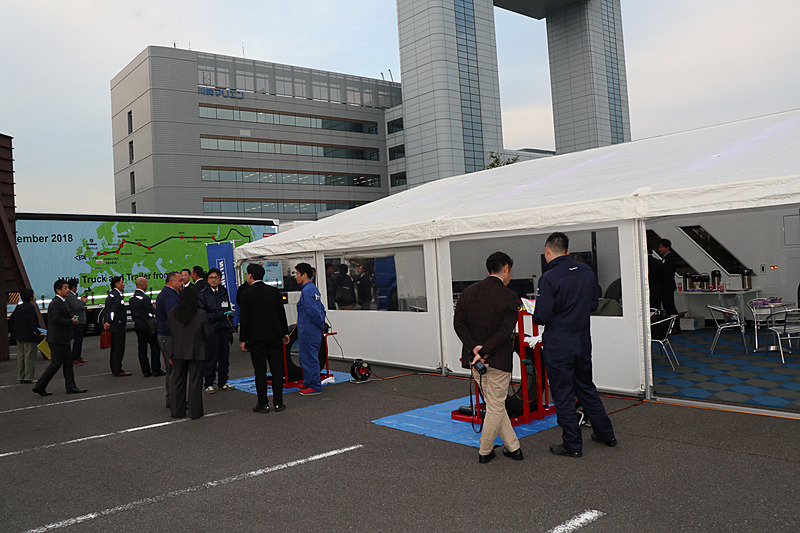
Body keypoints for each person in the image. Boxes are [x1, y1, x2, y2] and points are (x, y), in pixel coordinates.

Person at [533, 232, 617, 458]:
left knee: (563, 393)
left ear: (548, 250)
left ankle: (572, 443)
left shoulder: (549, 278)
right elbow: (592, 304)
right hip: (581, 340)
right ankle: (606, 433)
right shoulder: (586, 272)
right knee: (586, 387)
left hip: (559, 343)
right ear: (568, 251)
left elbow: (540, 316)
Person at [453, 251, 523, 464]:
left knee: (495, 404)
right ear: (506, 269)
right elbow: (505, 331)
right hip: (498, 361)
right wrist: (484, 351)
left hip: (476, 362)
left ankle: (514, 448)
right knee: (495, 405)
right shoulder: (510, 297)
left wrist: (475, 349)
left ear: (488, 269)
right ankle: (485, 450)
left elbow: (459, 324)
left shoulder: (468, 292)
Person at [239, 263, 290, 413]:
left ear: (250, 275)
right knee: (277, 369)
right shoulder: (273, 291)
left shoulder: (246, 294)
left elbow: (245, 319)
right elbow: (281, 313)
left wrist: (243, 339)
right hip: (274, 336)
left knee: (260, 371)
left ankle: (263, 403)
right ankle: (279, 402)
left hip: (256, 339)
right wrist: (284, 333)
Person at [33, 280, 87, 396]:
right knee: (55, 364)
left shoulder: (61, 302)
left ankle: (71, 386)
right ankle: (40, 386)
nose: (68, 290)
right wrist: (70, 321)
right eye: (65, 288)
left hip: (63, 339)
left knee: (68, 363)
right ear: (58, 290)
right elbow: (56, 319)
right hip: (57, 339)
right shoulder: (56, 303)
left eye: (68, 288)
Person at [167, 287, 211, 419]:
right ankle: (195, 412)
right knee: (195, 382)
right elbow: (208, 333)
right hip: (196, 351)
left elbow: (169, 329)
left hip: (177, 350)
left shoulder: (172, 312)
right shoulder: (201, 314)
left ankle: (177, 411)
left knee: (177, 382)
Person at [198, 268, 235, 393]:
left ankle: (223, 381)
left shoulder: (223, 291)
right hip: (211, 329)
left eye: (216, 277)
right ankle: (209, 383)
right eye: (211, 278)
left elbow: (228, 309)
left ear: (220, 279)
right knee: (211, 358)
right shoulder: (203, 293)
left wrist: (230, 326)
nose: (213, 280)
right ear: (207, 280)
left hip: (224, 328)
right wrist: (219, 315)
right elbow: (203, 314)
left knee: (224, 357)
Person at [294, 263, 326, 395]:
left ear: (304, 274)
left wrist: (319, 324)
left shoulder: (307, 291)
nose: (296, 277)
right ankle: (308, 381)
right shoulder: (313, 289)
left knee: (309, 358)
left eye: (297, 274)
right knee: (306, 356)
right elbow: (321, 309)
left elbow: (313, 311)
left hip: (309, 329)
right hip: (311, 329)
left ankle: (315, 385)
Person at [156, 272, 182, 408]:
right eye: (180, 280)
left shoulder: (168, 294)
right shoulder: (169, 296)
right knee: (173, 369)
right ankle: (174, 400)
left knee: (172, 369)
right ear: (172, 281)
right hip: (169, 337)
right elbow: (174, 318)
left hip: (166, 336)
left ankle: (172, 399)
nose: (182, 283)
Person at [129, 277, 164, 377]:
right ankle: (156, 369)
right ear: (143, 284)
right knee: (155, 347)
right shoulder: (145, 298)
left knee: (142, 348)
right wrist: (154, 308)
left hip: (138, 325)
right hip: (148, 326)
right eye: (146, 283)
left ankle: (145, 370)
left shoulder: (132, 298)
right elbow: (151, 312)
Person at [10, 288, 41, 384]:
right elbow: (31, 322)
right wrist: (37, 331)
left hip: (18, 335)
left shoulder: (19, 307)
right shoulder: (30, 308)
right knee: (30, 356)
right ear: (31, 297)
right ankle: (29, 377)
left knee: (21, 356)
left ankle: (21, 376)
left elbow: (11, 319)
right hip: (28, 335)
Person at [103, 276, 131, 376]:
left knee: (115, 348)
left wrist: (107, 322)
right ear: (116, 284)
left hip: (114, 325)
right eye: (122, 282)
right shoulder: (117, 296)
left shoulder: (110, 295)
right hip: (117, 325)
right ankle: (117, 369)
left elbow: (108, 310)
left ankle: (115, 368)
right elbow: (113, 311)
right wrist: (110, 322)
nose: (123, 284)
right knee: (118, 348)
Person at [656, 238, 680, 333]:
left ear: (667, 248)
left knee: (670, 307)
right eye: (659, 247)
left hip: (667, 286)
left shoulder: (670, 258)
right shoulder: (665, 258)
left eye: (661, 247)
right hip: (665, 286)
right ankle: (672, 326)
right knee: (668, 307)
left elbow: (666, 272)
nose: (660, 249)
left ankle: (676, 326)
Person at [66, 279, 89, 366]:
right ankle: (74, 357)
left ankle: (78, 356)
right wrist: (83, 302)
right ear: (74, 287)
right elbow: (76, 307)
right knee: (77, 340)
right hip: (77, 321)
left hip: (79, 321)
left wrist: (80, 300)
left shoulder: (72, 296)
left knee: (79, 340)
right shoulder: (70, 296)